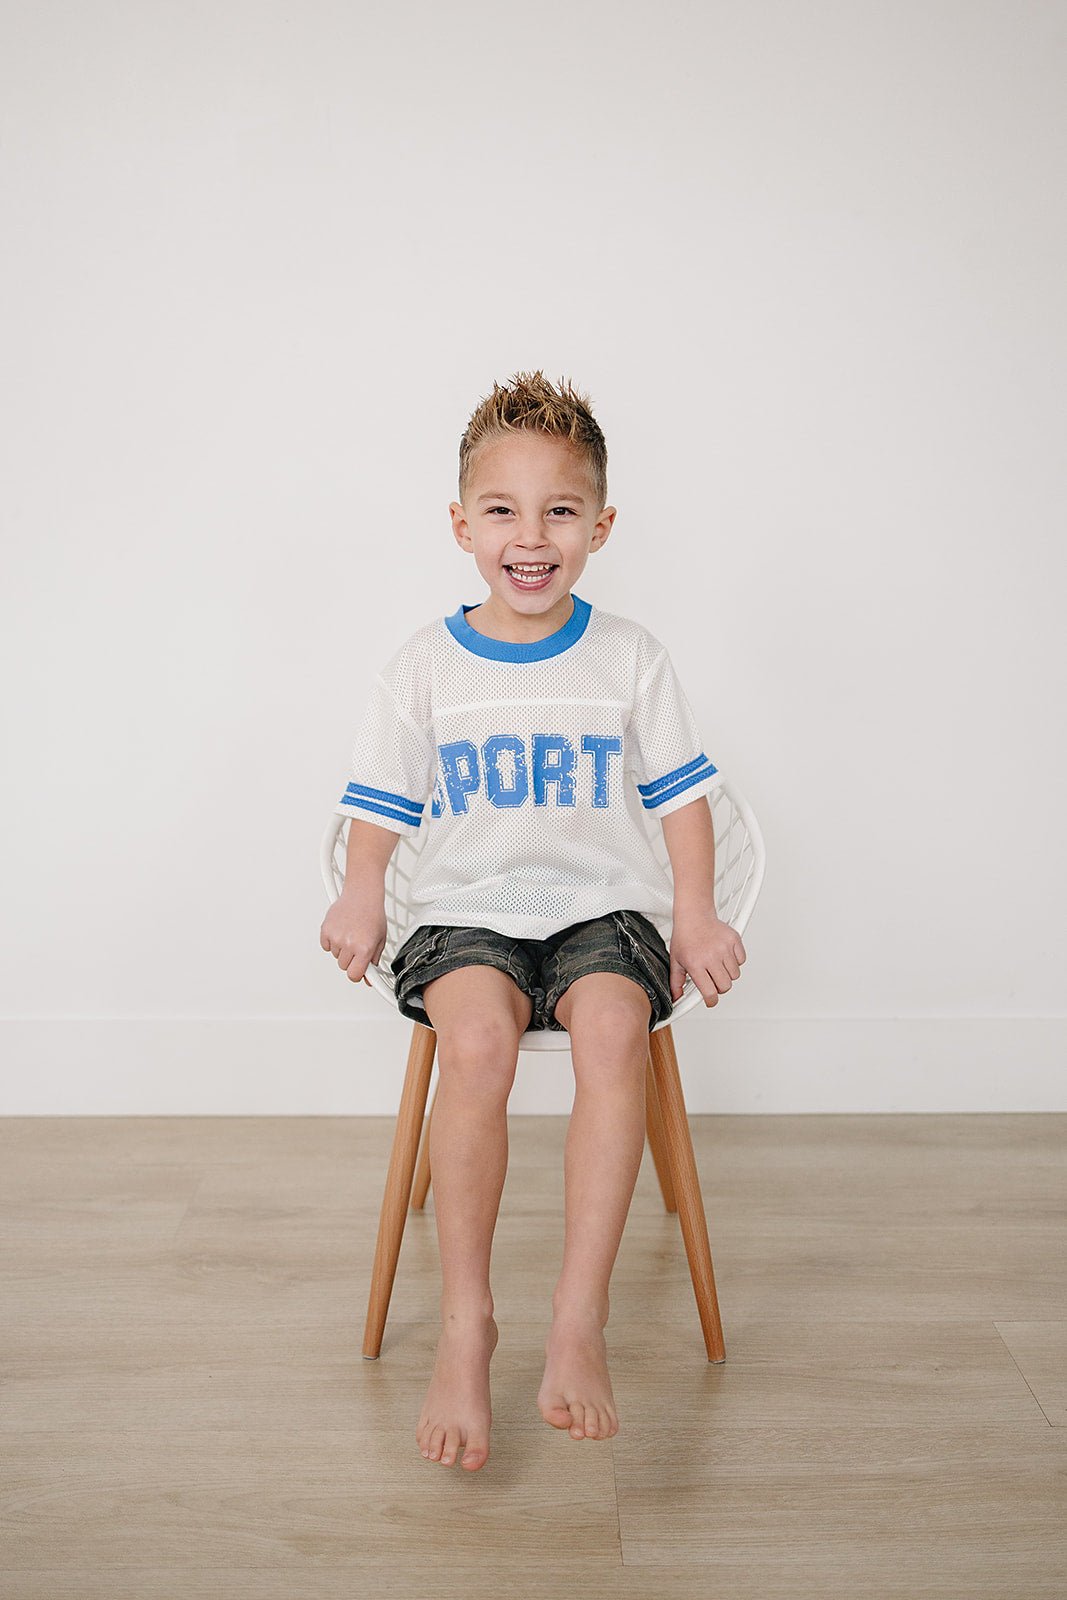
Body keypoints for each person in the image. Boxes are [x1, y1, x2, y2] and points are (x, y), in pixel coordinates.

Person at [320, 370, 746, 1473]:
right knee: (474, 1044)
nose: (530, 536)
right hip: (464, 915)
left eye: (559, 510)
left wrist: (695, 913)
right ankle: (467, 1322)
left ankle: (577, 1317)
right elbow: (378, 807)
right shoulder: (424, 666)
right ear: (460, 524)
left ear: (599, 526)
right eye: (501, 510)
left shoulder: (629, 658)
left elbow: (682, 802)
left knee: (613, 1032)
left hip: (602, 912)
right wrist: (362, 890)